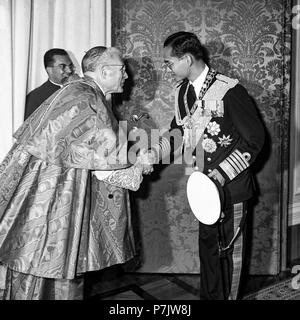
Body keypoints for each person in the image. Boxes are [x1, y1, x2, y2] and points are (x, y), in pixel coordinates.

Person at [0, 46, 152, 300]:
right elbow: (106, 171)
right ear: (104, 71)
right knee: (57, 277)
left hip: (45, 203)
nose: (126, 75)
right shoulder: (89, 100)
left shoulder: (75, 92)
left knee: (35, 270)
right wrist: (140, 166)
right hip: (57, 207)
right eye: (122, 69)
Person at [149, 31, 265, 300]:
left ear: (187, 59)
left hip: (230, 187)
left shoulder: (229, 90)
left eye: (169, 63)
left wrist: (221, 174)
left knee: (229, 258)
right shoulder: (182, 93)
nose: (167, 69)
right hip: (202, 189)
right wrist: (153, 154)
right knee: (210, 253)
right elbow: (177, 132)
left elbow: (255, 140)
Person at [24, 48, 76, 120]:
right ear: (49, 70)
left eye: (70, 66)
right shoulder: (35, 98)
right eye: (63, 66)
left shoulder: (79, 89)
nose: (69, 70)